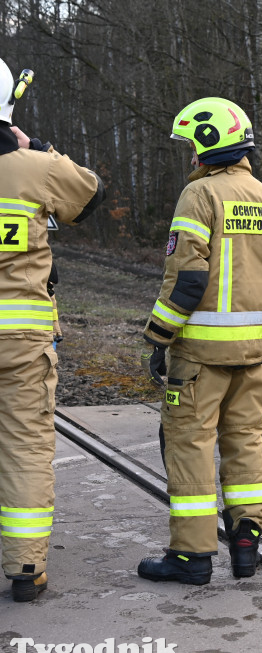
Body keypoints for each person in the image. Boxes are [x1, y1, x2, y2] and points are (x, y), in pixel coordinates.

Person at [137, 97, 262, 585]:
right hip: (253, 360)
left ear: (209, 145)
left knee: (189, 446)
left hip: (199, 361)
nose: (190, 156)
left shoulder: (200, 197)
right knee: (245, 444)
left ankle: (191, 559)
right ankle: (246, 544)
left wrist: (158, 338)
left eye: (192, 145)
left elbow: (187, 279)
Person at [0, 57, 105, 602]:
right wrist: (35, 145)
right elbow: (90, 193)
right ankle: (24, 566)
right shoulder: (33, 167)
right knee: (24, 445)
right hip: (21, 343)